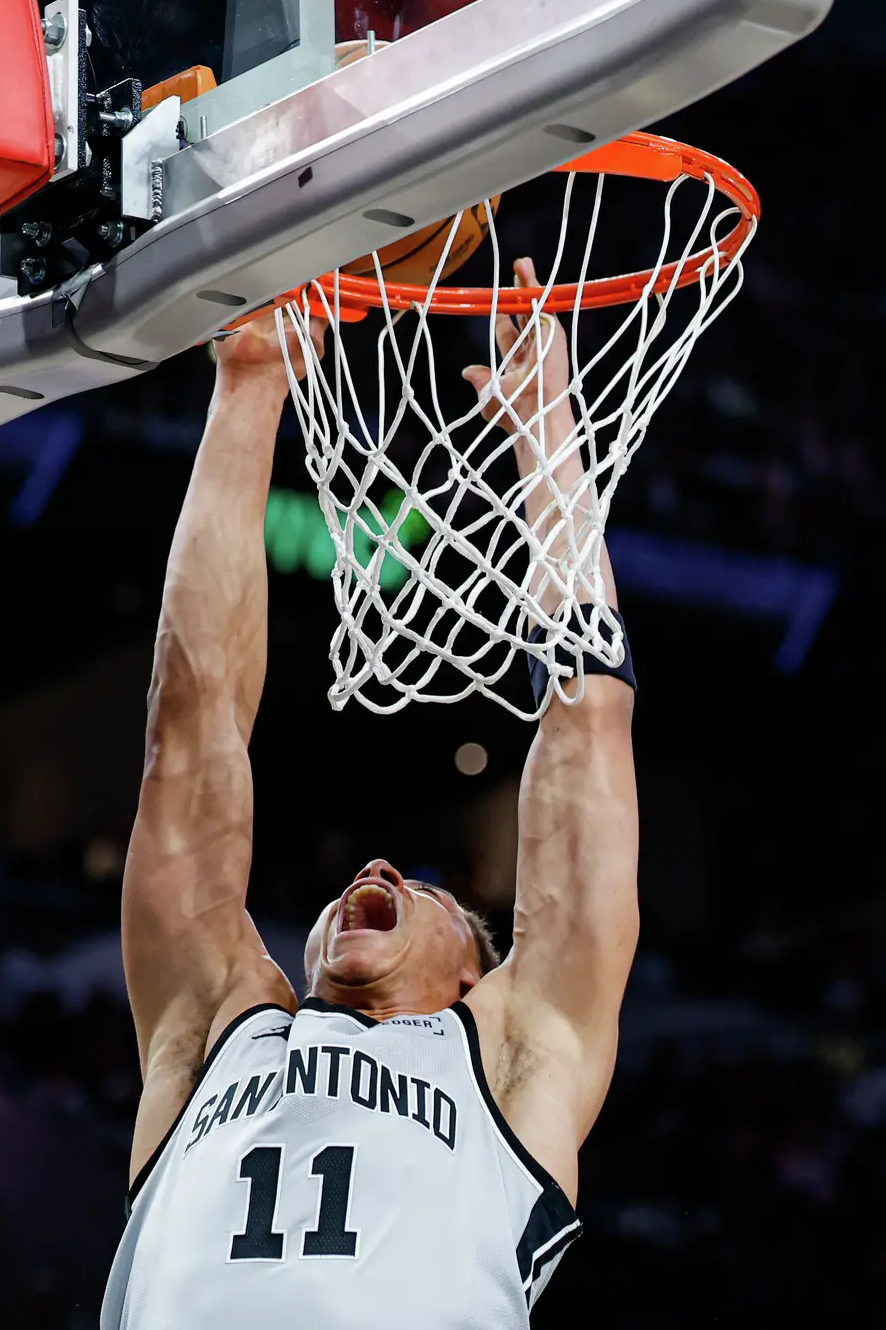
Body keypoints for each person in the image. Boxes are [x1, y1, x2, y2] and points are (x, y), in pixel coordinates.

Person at [101, 261, 640, 1329]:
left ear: (477, 976)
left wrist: (551, 453)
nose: (376, 872)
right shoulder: (222, 1023)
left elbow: (586, 726)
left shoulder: (514, 1054)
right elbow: (189, 739)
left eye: (429, 891)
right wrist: (248, 390)